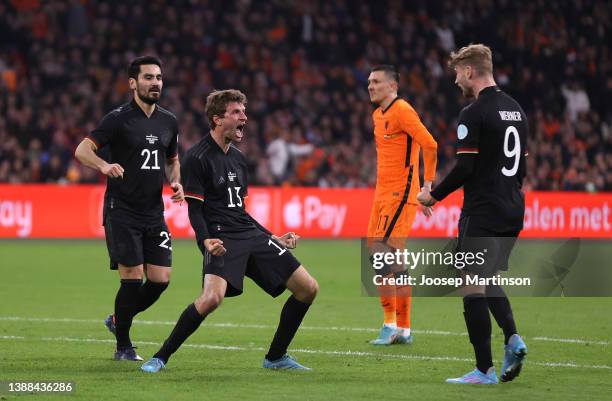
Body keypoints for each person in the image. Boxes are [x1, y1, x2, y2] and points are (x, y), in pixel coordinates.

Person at [141, 89, 319, 373]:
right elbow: (195, 210)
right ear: (217, 119)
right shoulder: (196, 158)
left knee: (308, 288)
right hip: (221, 237)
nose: (244, 118)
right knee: (212, 298)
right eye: (236, 113)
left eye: (243, 112)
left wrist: (272, 236)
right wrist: (205, 241)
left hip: (249, 233)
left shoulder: (238, 158)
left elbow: (240, 211)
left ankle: (276, 357)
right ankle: (160, 357)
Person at [417, 44, 529, 384]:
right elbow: (520, 166)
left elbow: (465, 168)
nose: (454, 80)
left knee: (470, 283)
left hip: (482, 211)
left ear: (469, 71)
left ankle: (484, 370)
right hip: (512, 207)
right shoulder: (516, 110)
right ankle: (513, 337)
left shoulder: (473, 113)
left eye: (456, 73)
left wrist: (432, 195)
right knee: (487, 277)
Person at [74, 56, 184, 361]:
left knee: (160, 281)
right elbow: (82, 150)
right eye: (148, 77)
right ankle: (123, 345)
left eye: (159, 78)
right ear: (133, 83)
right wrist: (104, 165)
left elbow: (173, 160)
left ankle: (116, 319)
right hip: (121, 210)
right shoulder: (117, 119)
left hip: (153, 212)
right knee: (133, 279)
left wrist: (176, 183)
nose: (155, 83)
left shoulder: (169, 121)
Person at [366, 65, 438, 345]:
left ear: (392, 87)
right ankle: (403, 329)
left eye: (376, 82)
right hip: (381, 194)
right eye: (369, 82)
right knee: (393, 259)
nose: (371, 86)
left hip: (400, 195)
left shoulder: (403, 110)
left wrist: (427, 188)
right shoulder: (377, 115)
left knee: (379, 255)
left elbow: (429, 144)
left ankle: (390, 324)